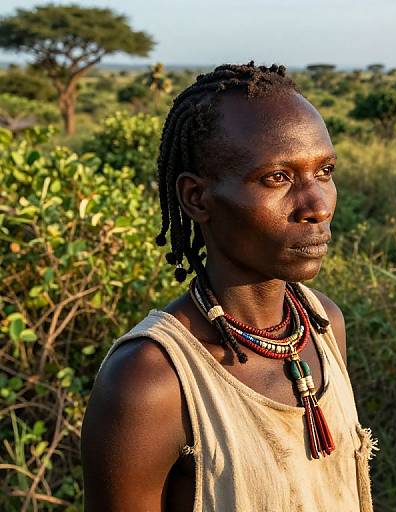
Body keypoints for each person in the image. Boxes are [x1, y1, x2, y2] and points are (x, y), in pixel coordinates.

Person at [81, 62, 378, 512]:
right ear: (197, 198)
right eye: (277, 178)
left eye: (324, 171)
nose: (317, 205)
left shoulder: (323, 325)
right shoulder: (151, 380)